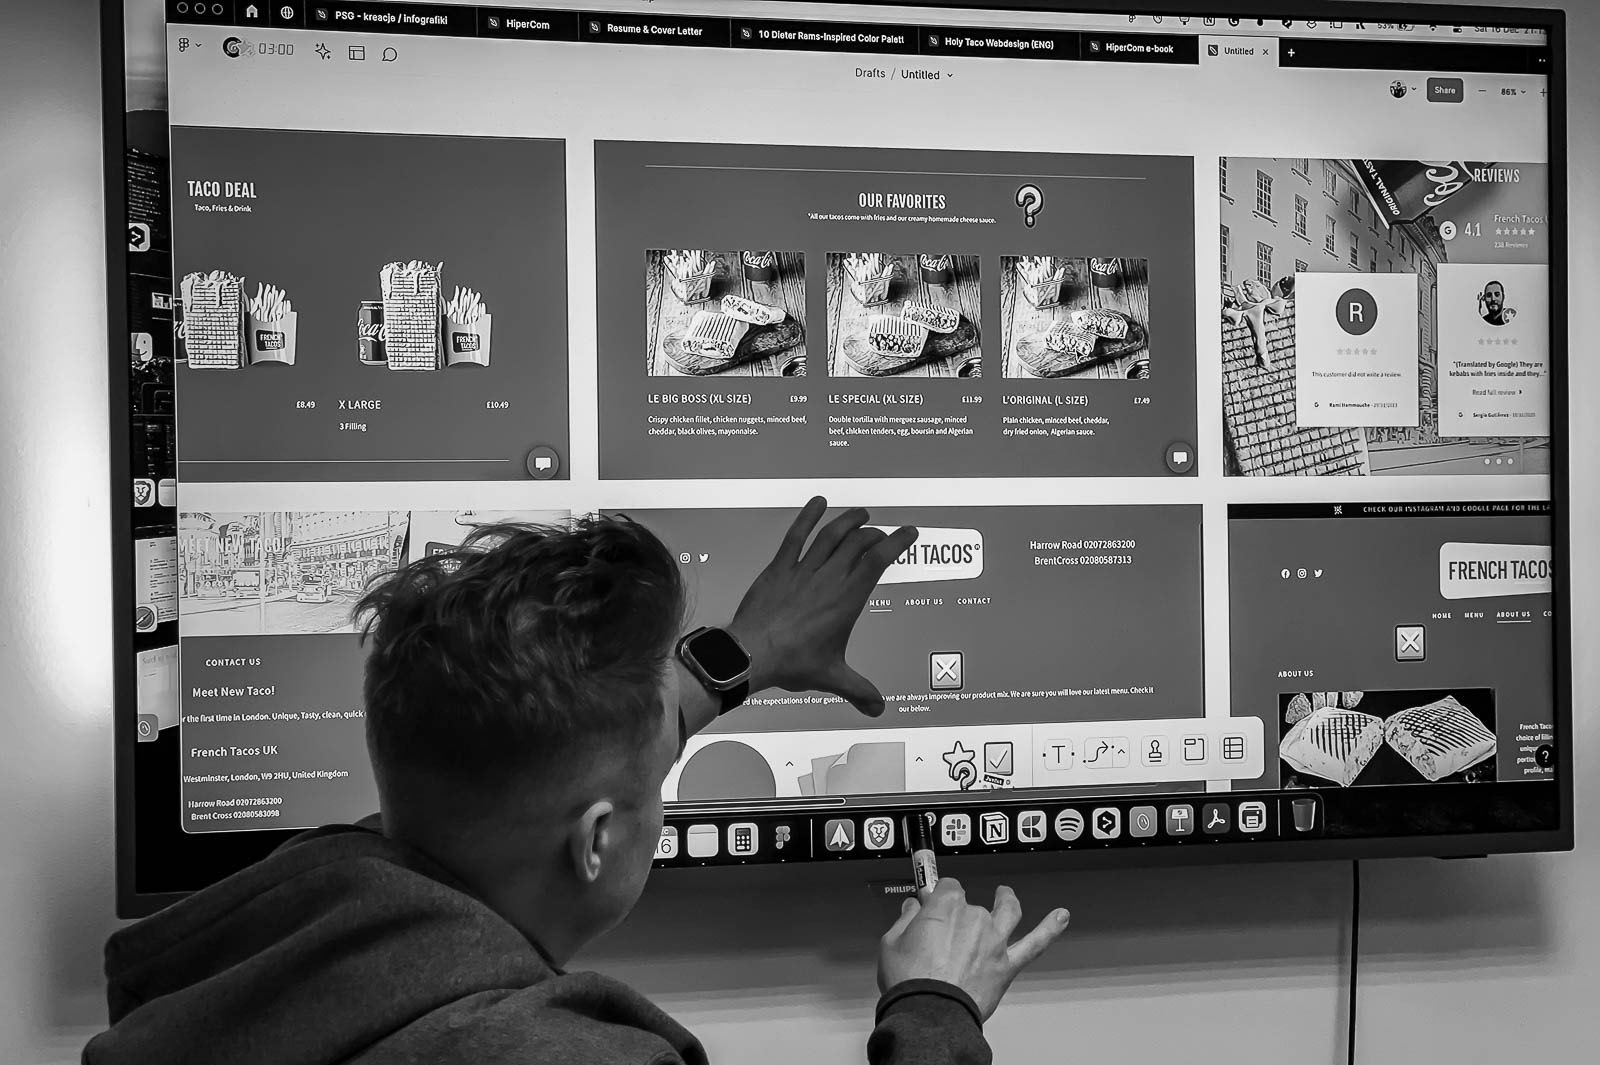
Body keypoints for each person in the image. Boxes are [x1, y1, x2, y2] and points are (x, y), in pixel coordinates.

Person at [86, 498, 1069, 1065]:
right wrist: (934, 1009)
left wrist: (742, 656)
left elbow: (581, 736)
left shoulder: (258, 956)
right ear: (598, 840)